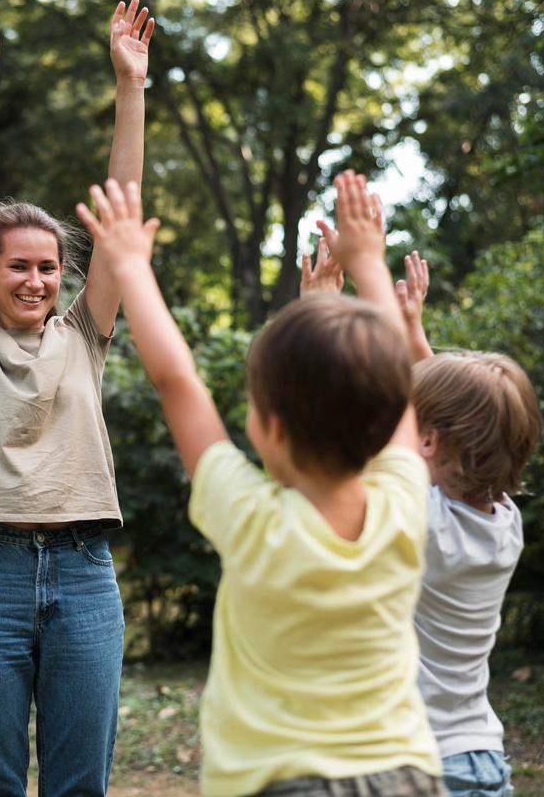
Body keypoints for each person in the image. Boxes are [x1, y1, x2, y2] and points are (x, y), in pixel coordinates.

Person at [77, 172, 444, 796]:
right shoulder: (405, 503)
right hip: (405, 776)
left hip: (278, 784)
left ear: (269, 427)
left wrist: (132, 266)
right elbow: (396, 388)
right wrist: (367, 265)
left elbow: (178, 381)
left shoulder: (251, 520)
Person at [0, 0, 155, 793]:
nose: (36, 279)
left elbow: (121, 214)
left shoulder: (82, 337)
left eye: (48, 267)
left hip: (84, 573)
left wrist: (131, 88)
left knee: (79, 787)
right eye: (18, 265)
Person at [394, 252, 543, 797]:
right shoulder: (505, 525)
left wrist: (346, 289)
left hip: (420, 766)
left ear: (428, 441)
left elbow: (417, 427)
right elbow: (470, 417)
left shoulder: (421, 519)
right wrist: (413, 330)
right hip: (481, 759)